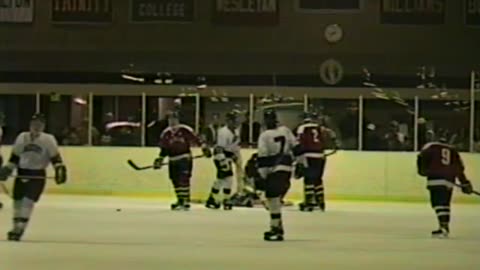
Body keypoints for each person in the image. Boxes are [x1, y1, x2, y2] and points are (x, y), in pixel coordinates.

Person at [0, 113, 67, 241]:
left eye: (40, 124)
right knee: (17, 201)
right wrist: (7, 169)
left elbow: (56, 158)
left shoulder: (48, 139)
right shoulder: (22, 137)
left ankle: (20, 228)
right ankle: (15, 227)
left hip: (37, 174)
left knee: (27, 201)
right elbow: (14, 157)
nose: (37, 127)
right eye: (35, 124)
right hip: (21, 172)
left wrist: (59, 169)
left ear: (43, 126)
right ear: (30, 125)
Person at [416, 136, 474, 238]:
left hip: (435, 179)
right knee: (445, 204)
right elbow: (459, 168)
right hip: (449, 180)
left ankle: (443, 228)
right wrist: (465, 182)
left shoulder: (429, 147)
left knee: (438, 204)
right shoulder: (453, 150)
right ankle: (444, 227)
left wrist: (424, 171)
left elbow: (421, 161)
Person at [153, 111, 211, 211]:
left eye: (174, 119)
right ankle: (180, 199)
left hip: (185, 158)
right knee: (174, 180)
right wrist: (159, 159)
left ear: (178, 120)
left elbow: (197, 139)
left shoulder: (185, 129)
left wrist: (204, 148)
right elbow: (164, 149)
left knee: (184, 179)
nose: (172, 121)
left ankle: (185, 201)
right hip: (173, 160)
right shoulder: (166, 133)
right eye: (170, 119)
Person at [257, 109, 300, 241]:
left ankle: (276, 228)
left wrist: (262, 176)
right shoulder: (285, 130)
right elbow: (297, 147)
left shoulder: (264, 135)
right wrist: (301, 163)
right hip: (286, 168)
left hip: (274, 169)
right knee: (274, 199)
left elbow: (263, 156)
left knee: (273, 199)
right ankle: (277, 225)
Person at [295, 112, 339, 212]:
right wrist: (335, 145)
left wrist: (297, 157)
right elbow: (331, 135)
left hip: (308, 155)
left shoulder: (302, 127)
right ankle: (320, 202)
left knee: (308, 179)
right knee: (318, 179)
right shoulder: (320, 128)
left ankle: (309, 202)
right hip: (320, 155)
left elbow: (299, 142)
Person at [205, 112, 240, 210]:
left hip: (227, 156)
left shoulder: (236, 131)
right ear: (228, 121)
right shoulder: (223, 132)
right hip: (221, 157)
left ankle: (213, 199)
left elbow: (233, 146)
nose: (235, 122)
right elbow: (220, 148)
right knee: (227, 177)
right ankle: (224, 199)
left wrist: (233, 155)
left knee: (222, 178)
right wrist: (223, 160)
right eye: (233, 120)